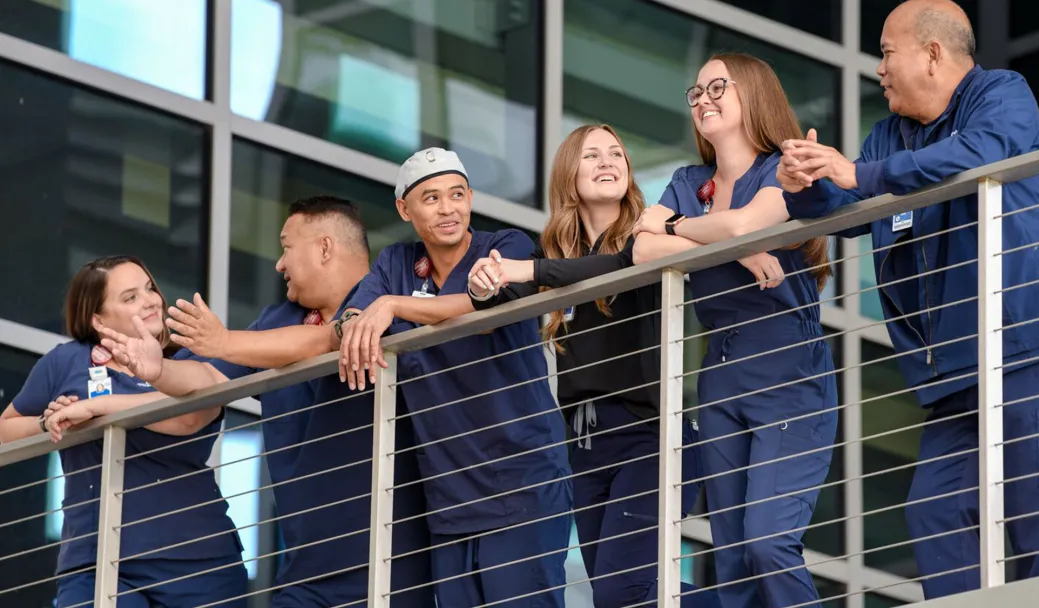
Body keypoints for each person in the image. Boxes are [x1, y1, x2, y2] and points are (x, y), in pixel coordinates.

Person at [777, 0, 1039, 598]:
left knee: (1038, 522)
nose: (879, 69)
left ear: (933, 54)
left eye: (887, 53)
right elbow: (845, 209)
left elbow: (983, 152)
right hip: (953, 372)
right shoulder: (890, 134)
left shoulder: (1002, 93)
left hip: (1025, 350)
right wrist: (805, 189)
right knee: (934, 514)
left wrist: (860, 175)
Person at [99, 197, 435, 607]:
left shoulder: (393, 302)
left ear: (324, 248)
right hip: (304, 577)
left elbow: (331, 339)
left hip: (397, 570)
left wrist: (224, 341)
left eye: (286, 247)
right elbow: (209, 377)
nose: (278, 264)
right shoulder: (278, 320)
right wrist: (158, 372)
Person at [464, 124, 717, 608]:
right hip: (584, 447)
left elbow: (614, 267)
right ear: (568, 175)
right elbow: (505, 294)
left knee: (623, 592)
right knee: (620, 597)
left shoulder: (645, 239)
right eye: (591, 155)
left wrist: (529, 272)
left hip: (650, 438)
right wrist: (484, 284)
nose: (607, 162)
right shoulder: (555, 256)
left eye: (616, 154)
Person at [632, 53, 838, 608]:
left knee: (768, 544)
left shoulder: (781, 168)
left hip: (788, 372)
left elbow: (746, 222)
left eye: (716, 87)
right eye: (695, 93)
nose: (703, 99)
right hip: (720, 377)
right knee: (731, 565)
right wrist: (741, 255)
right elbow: (642, 247)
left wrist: (681, 226)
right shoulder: (689, 180)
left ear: (754, 93)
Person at [335, 147, 574, 607]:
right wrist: (354, 322)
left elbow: (486, 311)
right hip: (449, 495)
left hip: (521, 481)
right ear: (405, 209)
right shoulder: (397, 264)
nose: (448, 209)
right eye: (431, 198)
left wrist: (395, 307)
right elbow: (351, 319)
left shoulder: (507, 246)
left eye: (457, 195)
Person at [0, 256, 246, 607]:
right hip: (94, 558)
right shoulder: (66, 362)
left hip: (196, 557)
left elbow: (187, 418)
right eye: (130, 297)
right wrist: (48, 422)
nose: (150, 301)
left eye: (149, 289)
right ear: (97, 319)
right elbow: (6, 429)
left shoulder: (187, 358)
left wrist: (96, 409)